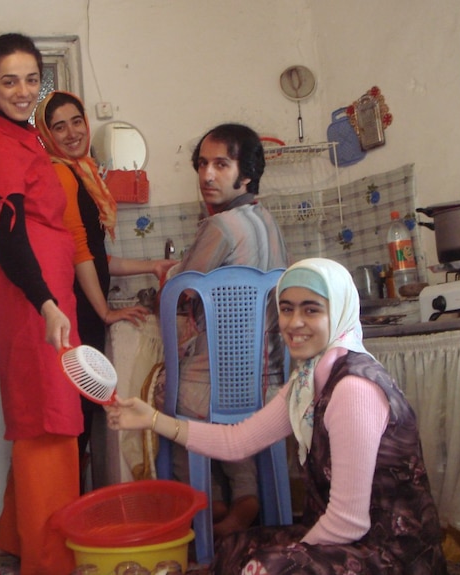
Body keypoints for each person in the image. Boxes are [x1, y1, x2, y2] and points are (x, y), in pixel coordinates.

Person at [107, 258, 447, 574]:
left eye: (311, 310)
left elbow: (349, 523)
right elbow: (237, 441)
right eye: (286, 309)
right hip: (348, 542)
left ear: (339, 311)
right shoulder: (309, 381)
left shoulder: (353, 389)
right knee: (234, 547)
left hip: (393, 556)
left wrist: (284, 559)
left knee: (264, 566)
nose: (294, 323)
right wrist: (151, 419)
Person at [0, 33, 80, 575]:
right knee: (47, 420)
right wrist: (47, 303)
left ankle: (13, 537)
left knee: (42, 412)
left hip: (46, 295)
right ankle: (49, 561)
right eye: (10, 80)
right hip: (31, 298)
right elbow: (9, 240)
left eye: (32, 79)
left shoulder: (25, 138)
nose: (24, 90)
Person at [34, 91, 176, 492]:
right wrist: (105, 311)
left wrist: (151, 265)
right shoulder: (62, 174)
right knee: (73, 414)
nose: (71, 132)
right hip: (77, 308)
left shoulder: (82, 173)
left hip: (81, 304)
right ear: (46, 133)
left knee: (77, 414)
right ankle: (64, 505)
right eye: (58, 126)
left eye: (76, 121)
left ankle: (69, 503)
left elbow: (97, 257)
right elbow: (79, 252)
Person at [163, 123, 290, 537]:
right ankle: (246, 499)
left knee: (174, 401)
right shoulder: (267, 221)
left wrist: (168, 282)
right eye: (202, 164)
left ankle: (208, 504)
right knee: (231, 415)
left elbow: (181, 295)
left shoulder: (218, 228)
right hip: (269, 380)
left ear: (246, 174)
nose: (207, 175)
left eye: (221, 164)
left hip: (217, 383)